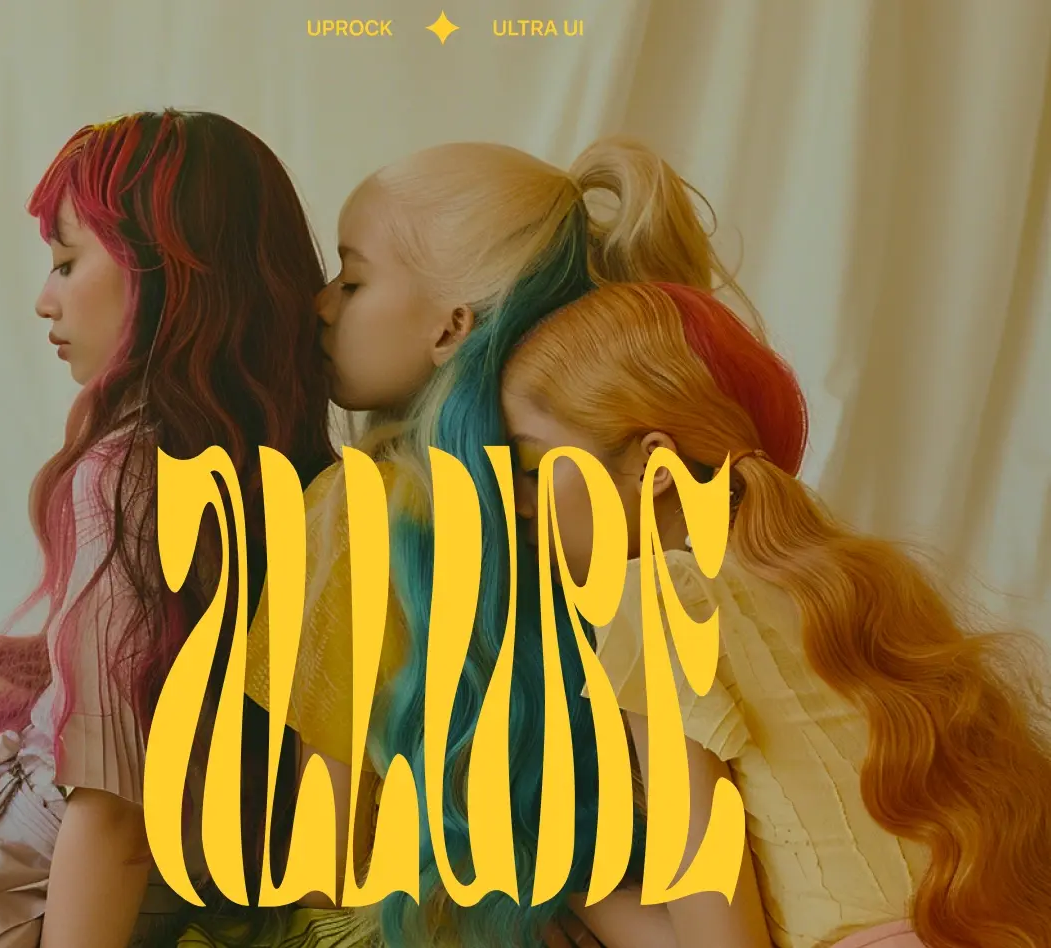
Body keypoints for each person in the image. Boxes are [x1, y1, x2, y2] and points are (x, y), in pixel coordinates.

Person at [181, 137, 753, 948]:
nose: (320, 304)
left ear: (452, 327)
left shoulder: (360, 507)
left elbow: (327, 834)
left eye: (352, 279)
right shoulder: (601, 505)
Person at [0, 108, 335, 947]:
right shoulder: (302, 467)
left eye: (67, 262)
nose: (44, 300)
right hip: (168, 860)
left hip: (33, 877)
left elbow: (113, 814)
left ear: (169, 275)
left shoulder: (125, 476)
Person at [498, 280, 1051, 948]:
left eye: (531, 463)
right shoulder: (846, 576)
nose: (515, 500)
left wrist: (558, 883)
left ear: (654, 466)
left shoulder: (657, 600)